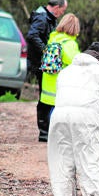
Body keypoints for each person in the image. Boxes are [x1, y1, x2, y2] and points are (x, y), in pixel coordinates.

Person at [47, 42, 99, 196]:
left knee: (61, 165)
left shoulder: (66, 71)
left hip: (59, 117)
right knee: (90, 165)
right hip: (86, 117)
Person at [26, 0, 68, 142]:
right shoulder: (42, 18)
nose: (61, 13)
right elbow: (32, 36)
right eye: (62, 10)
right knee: (45, 98)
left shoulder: (45, 17)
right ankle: (44, 131)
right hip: (41, 64)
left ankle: (46, 129)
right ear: (56, 8)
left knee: (45, 96)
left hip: (42, 64)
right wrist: (46, 51)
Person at [39, 13, 81, 142]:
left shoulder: (53, 38)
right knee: (58, 111)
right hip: (60, 82)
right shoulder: (69, 44)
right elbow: (76, 61)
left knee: (49, 109)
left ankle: (45, 133)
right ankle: (55, 134)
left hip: (47, 80)